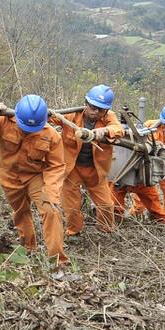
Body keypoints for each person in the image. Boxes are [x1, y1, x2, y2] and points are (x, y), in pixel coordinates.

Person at [0, 95, 68, 265]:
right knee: (21, 213)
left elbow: (56, 166)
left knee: (51, 211)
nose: (28, 131)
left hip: (35, 178)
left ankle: (58, 261)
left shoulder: (50, 135)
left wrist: (51, 193)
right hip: (9, 176)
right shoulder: (2, 120)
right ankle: (29, 249)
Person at [51, 84, 124, 236]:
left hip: (95, 170)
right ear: (86, 103)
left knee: (105, 204)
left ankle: (105, 230)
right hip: (72, 169)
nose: (95, 112)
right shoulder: (72, 115)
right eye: (93, 107)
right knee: (70, 205)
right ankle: (74, 230)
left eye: (101, 110)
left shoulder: (108, 117)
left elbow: (118, 129)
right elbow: (51, 117)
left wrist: (102, 131)